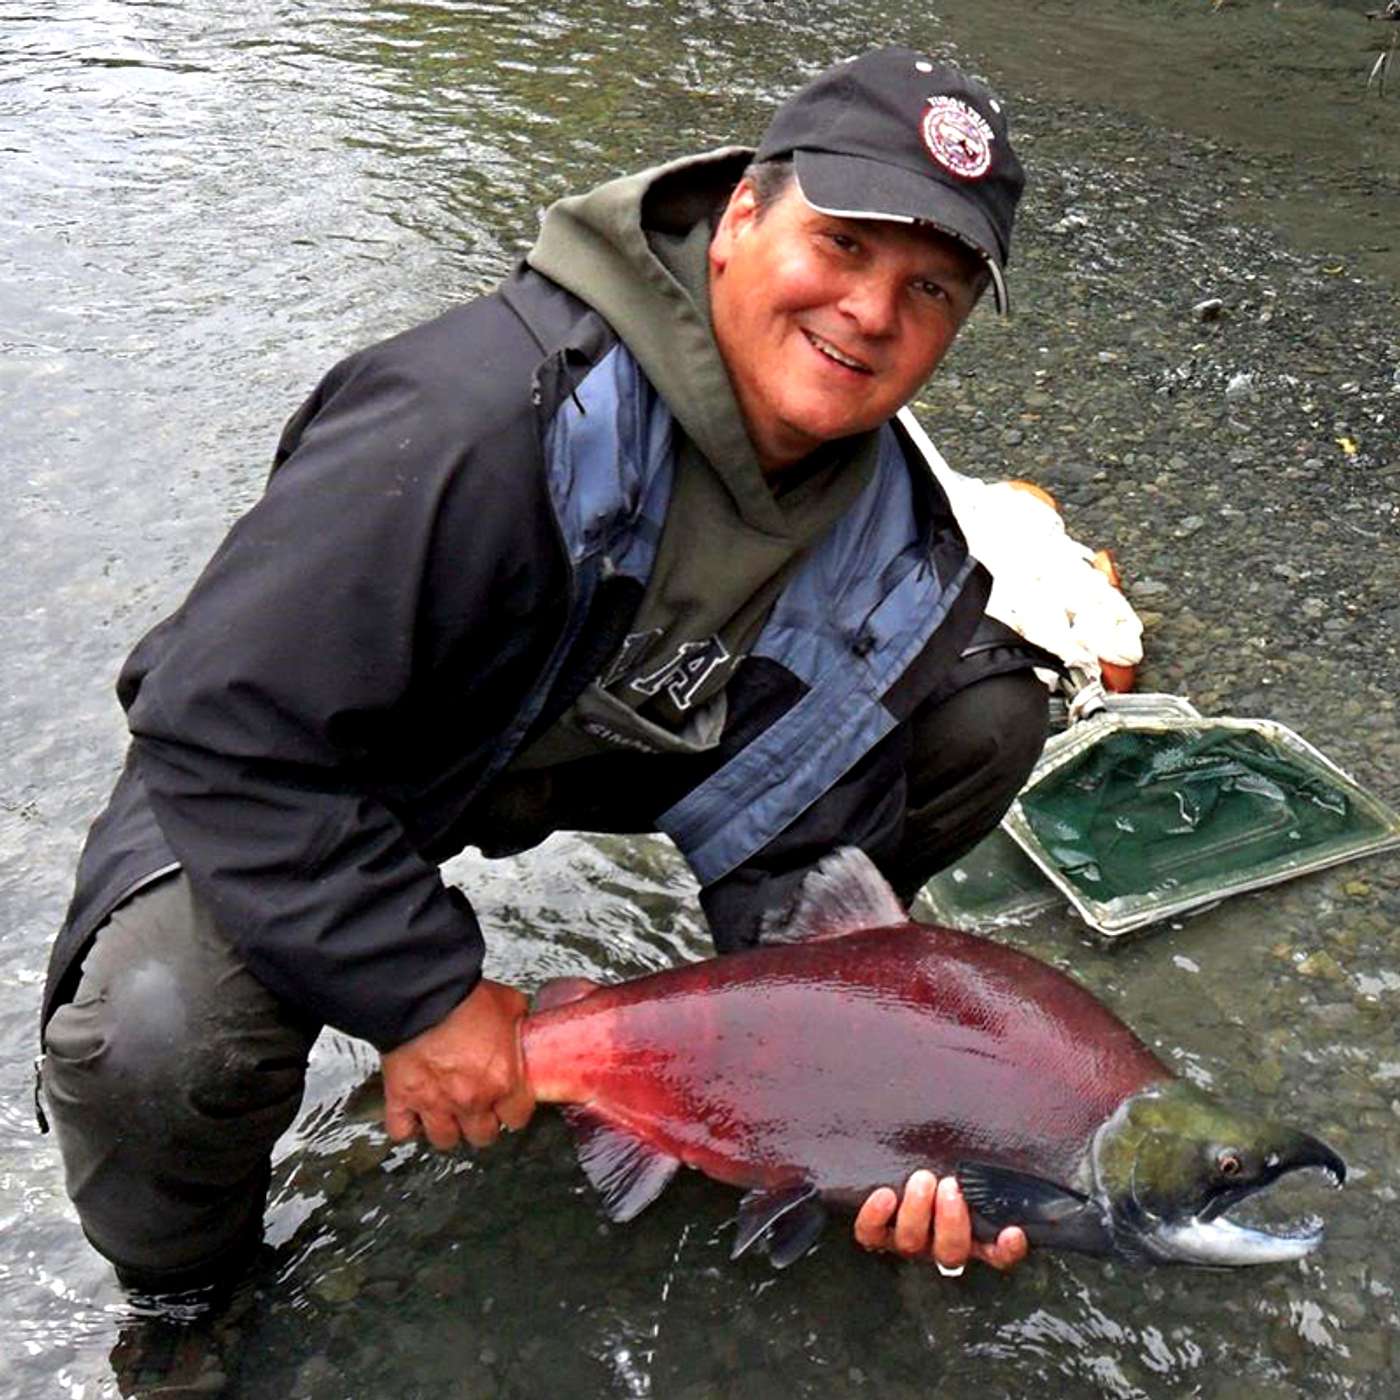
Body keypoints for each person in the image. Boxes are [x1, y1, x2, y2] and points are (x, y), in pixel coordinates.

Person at [39, 46, 1052, 1297]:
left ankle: (694, 1072)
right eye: (842, 246)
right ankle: (185, 1298)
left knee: (986, 705)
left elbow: (809, 841)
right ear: (739, 214)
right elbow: (215, 730)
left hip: (598, 742)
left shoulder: (890, 538)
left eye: (931, 289)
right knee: (160, 1031)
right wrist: (424, 997)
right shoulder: (478, 415)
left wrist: (868, 1112)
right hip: (325, 755)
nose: (871, 311)